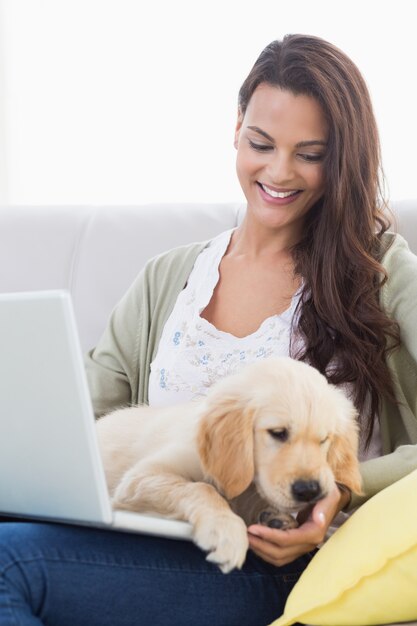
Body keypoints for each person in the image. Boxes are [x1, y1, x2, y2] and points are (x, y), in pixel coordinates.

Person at [1, 33, 416, 626]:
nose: (279, 171)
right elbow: (83, 424)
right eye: (261, 143)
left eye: (310, 153)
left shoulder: (381, 273)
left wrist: (339, 492)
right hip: (155, 535)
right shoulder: (169, 278)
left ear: (342, 157)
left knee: (9, 565)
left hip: (279, 560)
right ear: (237, 128)